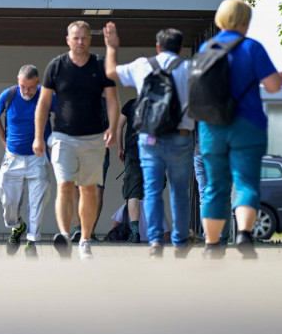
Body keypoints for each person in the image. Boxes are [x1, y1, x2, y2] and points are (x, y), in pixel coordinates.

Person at [191, 0, 282, 259]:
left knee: (214, 187)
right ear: (245, 21)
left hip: (212, 128)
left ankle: (212, 247)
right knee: (246, 183)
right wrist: (281, 78)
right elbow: (273, 87)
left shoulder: (206, 47)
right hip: (247, 126)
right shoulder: (252, 48)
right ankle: (244, 233)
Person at [104, 25, 195, 259]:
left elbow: (111, 72)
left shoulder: (143, 65)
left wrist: (112, 47)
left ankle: (154, 241)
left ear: (157, 47)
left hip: (149, 139)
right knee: (178, 191)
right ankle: (179, 240)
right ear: (181, 47)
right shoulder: (189, 68)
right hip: (179, 138)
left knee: (151, 191)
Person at [35, 21, 118, 260]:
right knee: (64, 185)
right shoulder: (56, 66)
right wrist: (38, 136)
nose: (80, 42)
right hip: (62, 136)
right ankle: (64, 235)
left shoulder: (100, 65)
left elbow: (112, 99)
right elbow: (43, 103)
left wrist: (112, 127)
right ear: (68, 40)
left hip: (93, 137)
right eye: (76, 38)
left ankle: (84, 239)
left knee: (88, 189)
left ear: (89, 40)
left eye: (84, 38)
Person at [0, 64, 53, 258]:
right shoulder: (9, 94)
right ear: (18, 81)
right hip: (13, 157)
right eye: (23, 87)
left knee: (37, 201)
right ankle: (17, 226)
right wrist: (3, 139)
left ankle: (32, 241)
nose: (26, 91)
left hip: (38, 157)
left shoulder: (46, 95)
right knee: (8, 200)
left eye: (30, 87)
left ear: (38, 83)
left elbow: (64, 112)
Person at [114, 97, 145, 243]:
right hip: (153, 152)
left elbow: (119, 126)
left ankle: (135, 233)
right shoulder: (160, 102)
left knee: (133, 192)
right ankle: (154, 232)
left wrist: (120, 147)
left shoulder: (131, 103)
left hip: (133, 152)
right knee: (151, 192)